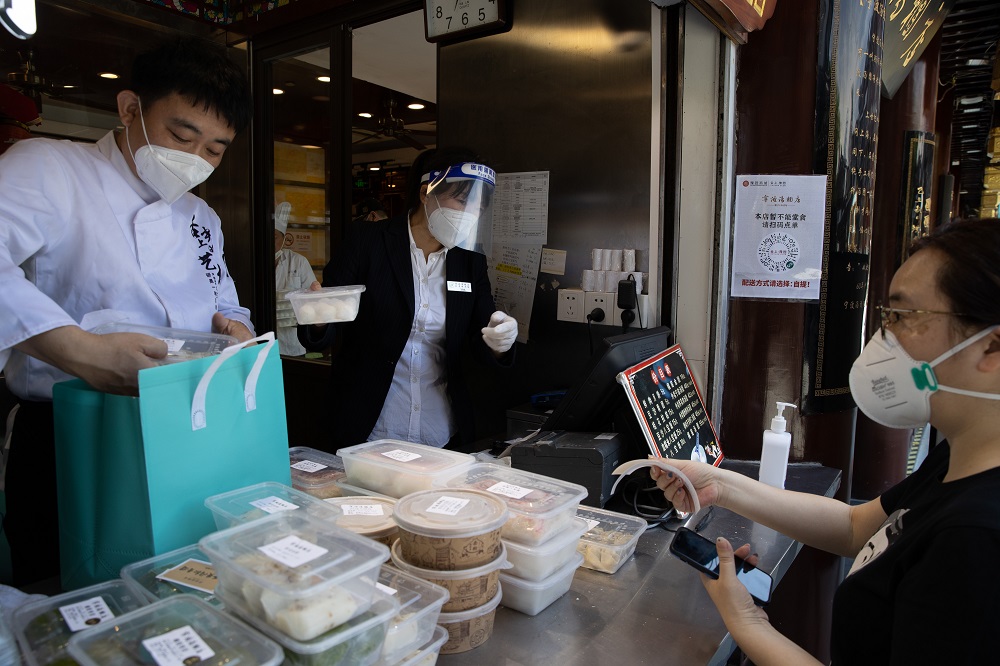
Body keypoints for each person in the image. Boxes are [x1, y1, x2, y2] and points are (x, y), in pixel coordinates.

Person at [652, 218, 1000, 664]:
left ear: (991, 347)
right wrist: (722, 486)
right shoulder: (959, 458)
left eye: (905, 316)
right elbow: (854, 528)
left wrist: (748, 623)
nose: (885, 338)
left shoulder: (978, 539)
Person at [0, 37, 254, 586]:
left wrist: (238, 331)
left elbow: (226, 301)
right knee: (70, 593)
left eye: (214, 150)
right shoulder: (49, 168)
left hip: (185, 431)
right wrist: (82, 352)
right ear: (130, 108)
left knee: (178, 584)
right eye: (181, 135)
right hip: (71, 434)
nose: (194, 158)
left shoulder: (200, 216)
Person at [300, 147, 517, 451]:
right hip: (370, 424)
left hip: (440, 428)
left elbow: (482, 335)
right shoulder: (369, 241)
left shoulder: (469, 262)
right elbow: (325, 328)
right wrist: (319, 318)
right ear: (426, 193)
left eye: (479, 205)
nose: (471, 213)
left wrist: (500, 342)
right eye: (461, 199)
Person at [274, 202, 320, 356]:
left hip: (292, 345)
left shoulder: (298, 261)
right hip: (262, 343)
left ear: (284, 238)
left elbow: (312, 301)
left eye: (274, 237)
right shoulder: (253, 262)